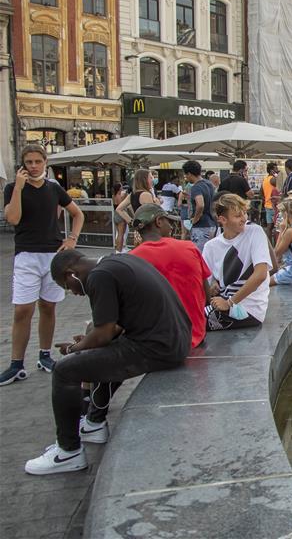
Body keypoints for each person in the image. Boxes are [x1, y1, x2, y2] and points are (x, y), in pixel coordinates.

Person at [25, 249, 190, 474]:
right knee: (100, 351)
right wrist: (90, 342)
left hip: (157, 347)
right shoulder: (117, 260)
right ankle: (94, 424)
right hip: (173, 340)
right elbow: (113, 327)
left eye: (67, 287)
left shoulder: (98, 277)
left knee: (65, 370)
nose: (73, 293)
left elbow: (102, 334)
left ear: (71, 273)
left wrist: (73, 349)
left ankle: (68, 452)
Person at [1, 146, 85, 386]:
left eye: (38, 161)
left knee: (48, 306)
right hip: (26, 255)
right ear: (23, 164)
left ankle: (45, 355)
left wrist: (72, 240)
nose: (33, 166)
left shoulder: (53, 188)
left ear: (45, 162)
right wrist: (17, 186)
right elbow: (13, 218)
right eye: (29, 161)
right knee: (22, 310)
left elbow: (77, 214)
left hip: (52, 254)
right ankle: (16, 363)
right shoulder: (12, 188)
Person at [130, 204, 211, 349]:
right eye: (169, 222)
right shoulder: (189, 247)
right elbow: (207, 297)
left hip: (155, 342)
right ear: (159, 221)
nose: (172, 227)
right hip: (195, 336)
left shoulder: (131, 259)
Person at [202, 194, 272, 330]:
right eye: (238, 216)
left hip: (248, 310)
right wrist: (213, 286)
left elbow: (261, 274)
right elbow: (206, 283)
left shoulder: (254, 232)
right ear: (222, 219)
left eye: (244, 213)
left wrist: (229, 302)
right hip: (221, 304)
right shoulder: (210, 246)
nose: (244, 219)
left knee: (189, 324)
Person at [181, 160, 217, 252]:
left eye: (185, 175)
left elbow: (200, 205)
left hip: (201, 226)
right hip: (212, 224)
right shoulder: (209, 184)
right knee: (209, 255)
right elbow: (209, 199)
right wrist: (190, 197)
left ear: (189, 174)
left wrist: (195, 219)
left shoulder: (196, 187)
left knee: (199, 255)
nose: (186, 177)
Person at [261, 162, 280, 241]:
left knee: (269, 227)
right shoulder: (273, 179)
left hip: (267, 205)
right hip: (274, 206)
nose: (277, 170)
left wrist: (265, 199)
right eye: (276, 169)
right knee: (277, 227)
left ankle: (268, 245)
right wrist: (277, 175)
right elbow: (280, 185)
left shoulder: (265, 179)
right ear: (272, 170)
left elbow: (261, 192)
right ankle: (276, 245)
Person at [112, 182, 129, 251]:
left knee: (119, 233)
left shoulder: (114, 195)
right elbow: (121, 205)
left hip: (115, 215)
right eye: (121, 186)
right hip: (120, 215)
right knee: (121, 234)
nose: (122, 187)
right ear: (119, 188)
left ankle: (119, 249)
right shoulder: (119, 196)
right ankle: (119, 250)